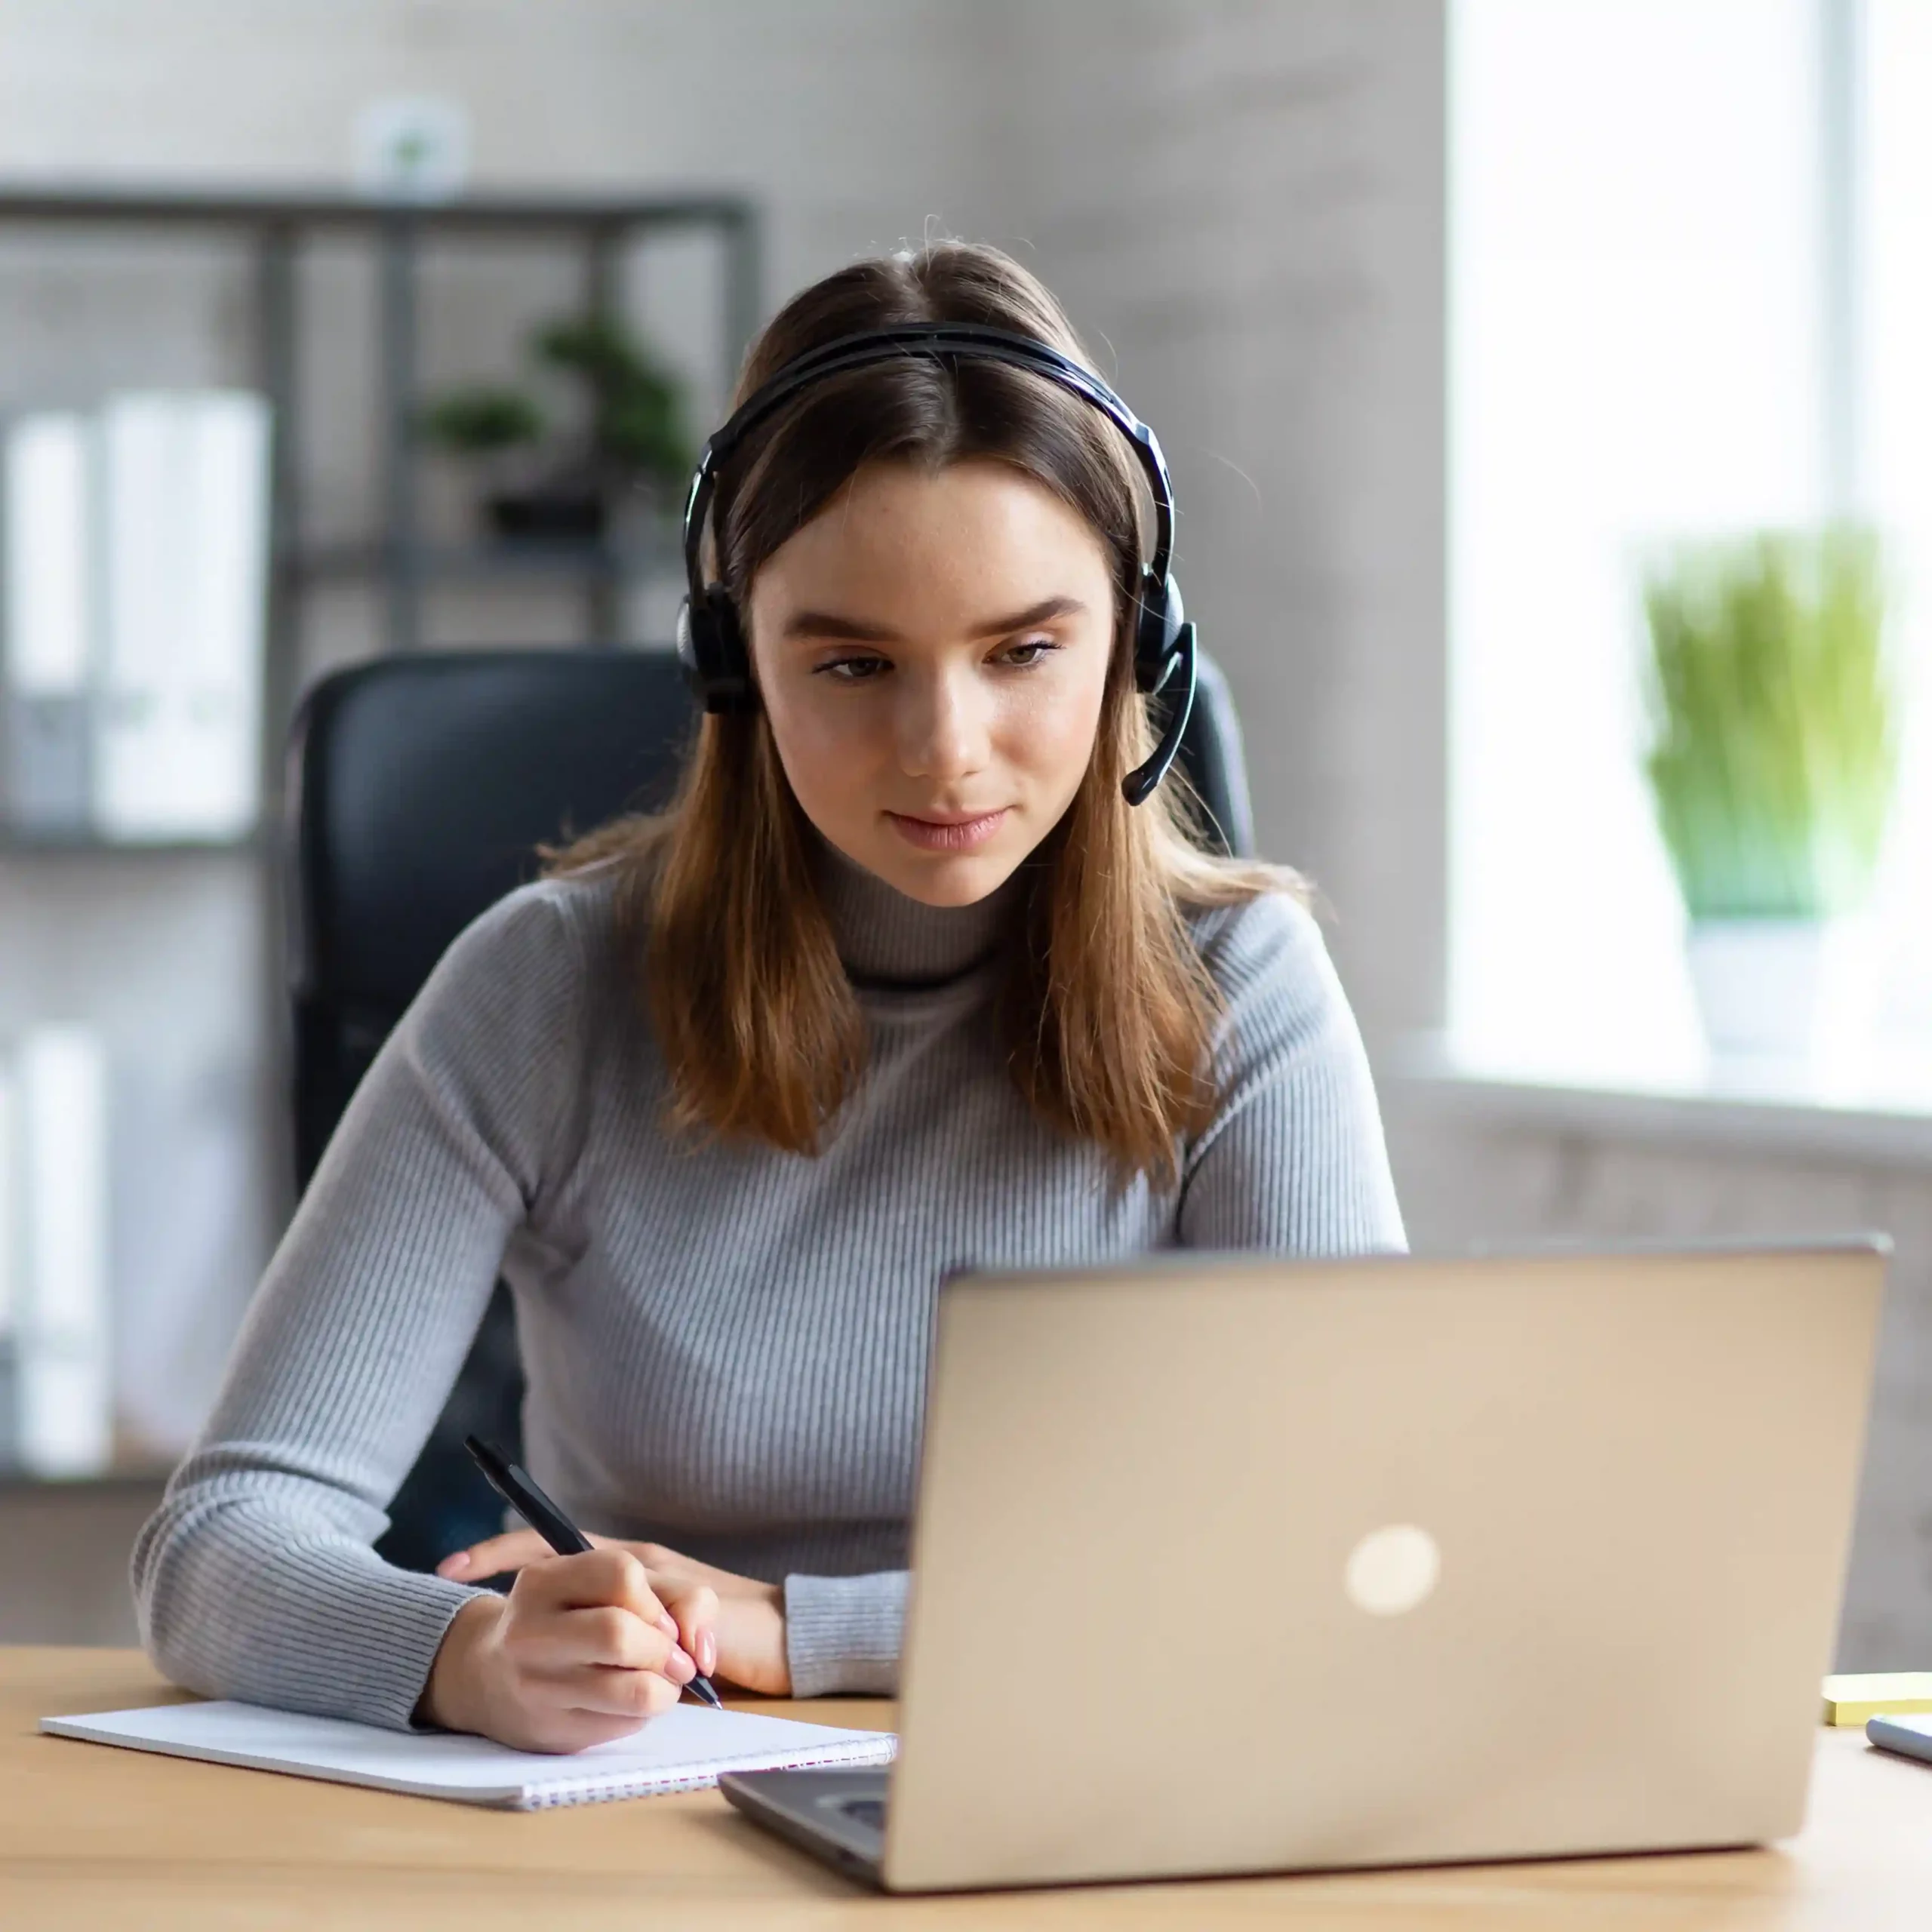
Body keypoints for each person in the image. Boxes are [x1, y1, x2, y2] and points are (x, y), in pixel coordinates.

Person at [133, 242, 1405, 1754]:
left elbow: (1355, 1544)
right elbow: (218, 1543)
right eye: (856, 664)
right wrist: (470, 1653)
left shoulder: (1240, 983)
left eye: (1023, 651)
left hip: (1100, 1782)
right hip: (649, 1795)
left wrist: (796, 1630)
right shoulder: (547, 986)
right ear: (732, 662)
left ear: (1138, 643)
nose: (947, 748)